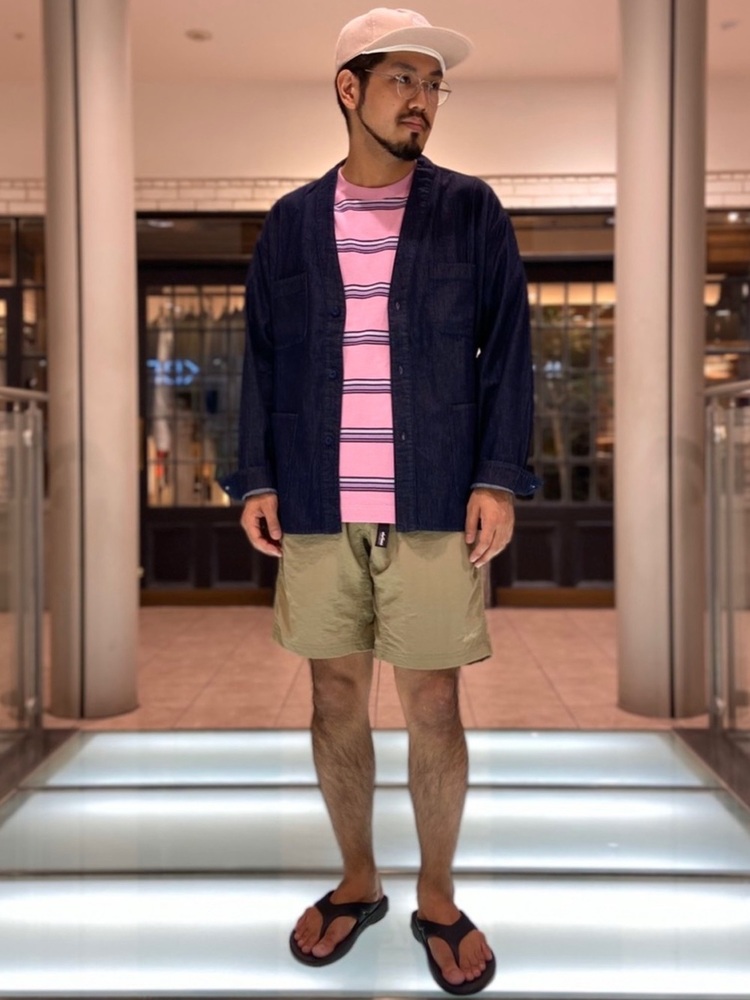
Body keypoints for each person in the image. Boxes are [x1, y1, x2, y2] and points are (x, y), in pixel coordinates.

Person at [221, 8, 538, 995]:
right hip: (317, 499)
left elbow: (509, 352)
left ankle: (437, 895)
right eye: (404, 78)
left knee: (434, 702)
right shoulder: (290, 223)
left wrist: (497, 475)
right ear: (349, 89)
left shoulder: (471, 211)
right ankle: (358, 880)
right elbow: (260, 358)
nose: (423, 100)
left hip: (435, 497)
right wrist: (256, 475)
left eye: (434, 84)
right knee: (333, 697)